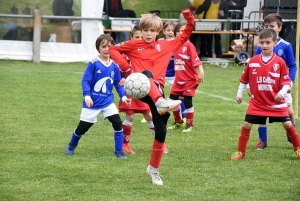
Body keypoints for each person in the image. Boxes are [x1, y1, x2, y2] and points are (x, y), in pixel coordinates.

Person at [109, 9, 194, 185]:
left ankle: (153, 169)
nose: (148, 34)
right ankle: (161, 102)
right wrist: (126, 66)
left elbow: (185, 35)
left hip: (157, 92)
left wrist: (188, 17)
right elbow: (112, 49)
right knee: (147, 74)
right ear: (141, 30)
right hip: (137, 88)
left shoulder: (166, 45)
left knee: (161, 132)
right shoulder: (133, 44)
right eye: (145, 30)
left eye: (152, 31)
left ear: (158, 32)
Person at [231, 29, 300, 161]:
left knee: (287, 124)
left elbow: (286, 83)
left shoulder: (279, 62)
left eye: (268, 42)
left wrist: (281, 93)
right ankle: (240, 152)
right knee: (246, 124)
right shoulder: (253, 61)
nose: (265, 45)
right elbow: (244, 79)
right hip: (257, 102)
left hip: (276, 103)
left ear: (275, 43)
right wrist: (239, 94)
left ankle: (298, 148)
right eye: (262, 42)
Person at [65, 34, 131, 159]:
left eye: (109, 46)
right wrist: (87, 96)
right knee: (82, 128)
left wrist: (123, 97)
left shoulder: (115, 66)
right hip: (93, 102)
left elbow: (118, 83)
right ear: (98, 48)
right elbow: (85, 81)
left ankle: (119, 151)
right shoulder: (94, 63)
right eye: (103, 46)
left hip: (107, 101)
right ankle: (72, 144)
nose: (107, 49)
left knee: (117, 122)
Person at [248, 13, 297, 150]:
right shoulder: (260, 47)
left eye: (272, 26)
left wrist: (290, 83)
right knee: (261, 113)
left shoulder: (286, 46)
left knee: (290, 113)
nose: (269, 28)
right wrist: (250, 85)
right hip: (265, 84)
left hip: (281, 86)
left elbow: (292, 65)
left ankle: (292, 135)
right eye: (266, 26)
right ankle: (262, 141)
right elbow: (253, 65)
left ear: (279, 28)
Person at [118, 25, 168, 154]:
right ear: (132, 38)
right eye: (137, 37)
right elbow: (120, 67)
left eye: (142, 37)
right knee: (130, 116)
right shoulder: (128, 52)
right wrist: (123, 78)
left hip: (145, 88)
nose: (140, 39)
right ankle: (125, 144)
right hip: (131, 89)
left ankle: (160, 144)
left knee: (149, 116)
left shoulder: (145, 51)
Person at [167, 22, 204, 132]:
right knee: (172, 101)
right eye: (178, 31)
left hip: (189, 80)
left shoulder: (189, 45)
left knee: (187, 102)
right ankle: (179, 122)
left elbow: (196, 60)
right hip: (178, 80)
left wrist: (201, 71)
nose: (181, 33)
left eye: (183, 31)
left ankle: (190, 125)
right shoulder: (175, 45)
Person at [160, 21, 187, 122]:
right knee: (156, 95)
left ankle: (183, 116)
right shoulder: (160, 42)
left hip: (175, 74)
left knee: (179, 96)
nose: (171, 32)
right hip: (161, 73)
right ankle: (152, 114)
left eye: (173, 30)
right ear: (164, 31)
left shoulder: (178, 42)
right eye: (168, 30)